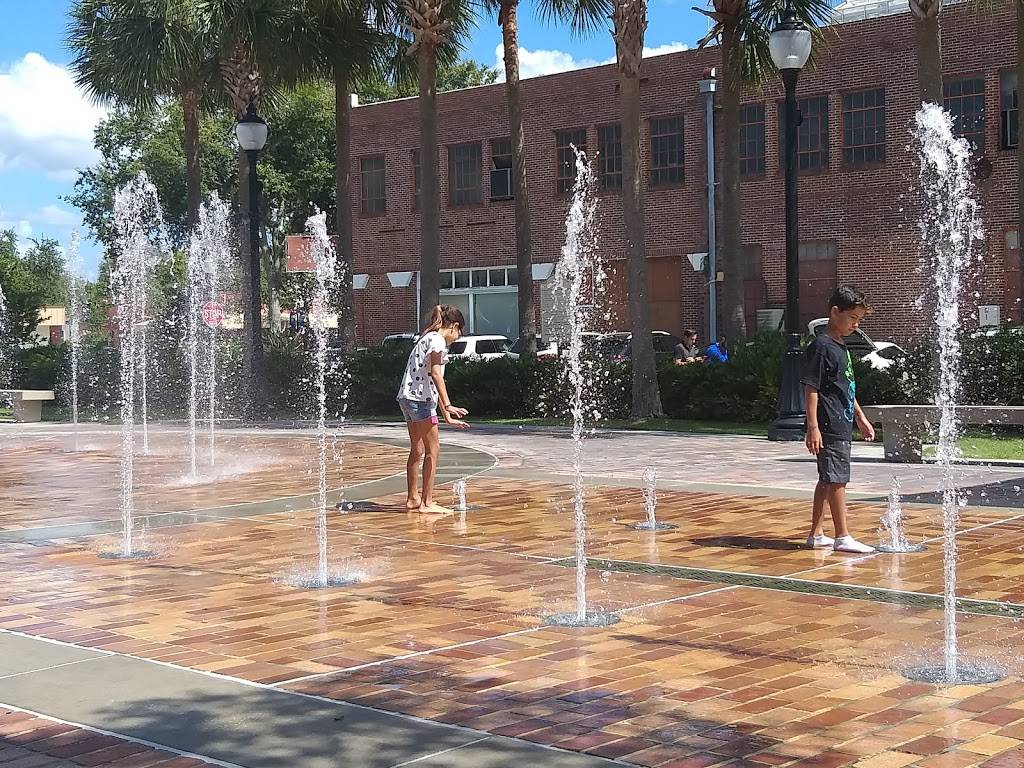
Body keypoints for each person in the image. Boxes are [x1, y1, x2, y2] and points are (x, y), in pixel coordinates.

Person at [802, 286, 877, 554]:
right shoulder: (821, 347)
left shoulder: (840, 346)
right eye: (852, 318)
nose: (855, 325)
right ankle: (843, 536)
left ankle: (816, 534)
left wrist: (860, 417)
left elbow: (845, 386)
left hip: (841, 421)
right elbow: (811, 388)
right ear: (835, 312)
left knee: (827, 479)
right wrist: (813, 427)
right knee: (837, 480)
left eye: (859, 320)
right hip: (828, 424)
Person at [397, 305, 469, 513]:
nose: (458, 337)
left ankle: (413, 498)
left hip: (408, 398)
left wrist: (446, 415)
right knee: (433, 450)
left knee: (417, 449)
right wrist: (448, 405)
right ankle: (427, 503)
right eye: (460, 332)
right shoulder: (438, 341)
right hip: (420, 401)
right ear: (454, 326)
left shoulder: (426, 339)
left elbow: (427, 380)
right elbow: (436, 376)